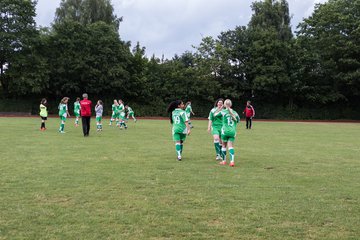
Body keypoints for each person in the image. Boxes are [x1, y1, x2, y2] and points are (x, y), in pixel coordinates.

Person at [220, 99, 240, 167]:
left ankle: (224, 161)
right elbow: (238, 120)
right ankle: (232, 161)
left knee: (223, 146)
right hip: (232, 131)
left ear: (225, 104)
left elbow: (214, 115)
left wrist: (220, 108)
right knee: (230, 146)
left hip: (225, 131)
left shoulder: (222, 111)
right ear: (231, 105)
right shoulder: (235, 112)